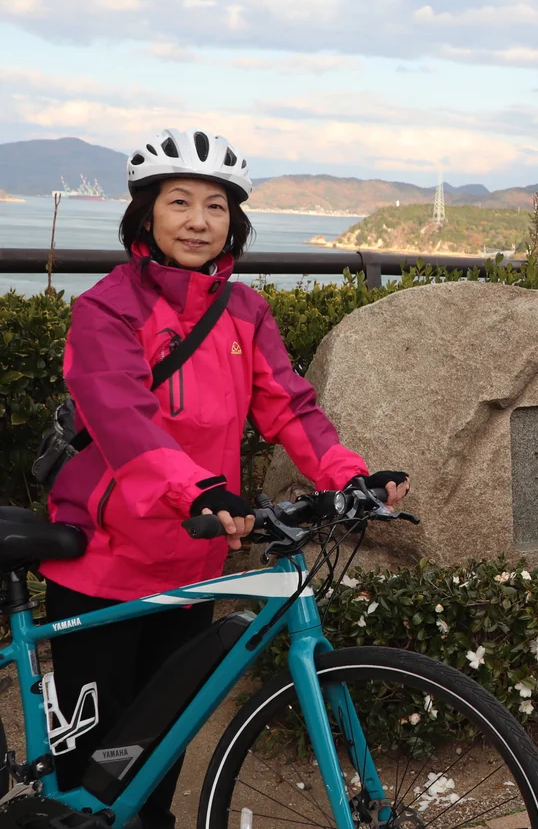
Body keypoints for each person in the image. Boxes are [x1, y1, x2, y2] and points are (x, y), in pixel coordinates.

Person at [42, 129, 410, 829]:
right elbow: (121, 414)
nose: (198, 220)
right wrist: (199, 489)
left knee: (163, 743)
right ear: (145, 215)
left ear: (232, 222)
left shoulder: (244, 312)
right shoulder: (106, 309)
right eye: (178, 201)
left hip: (193, 559)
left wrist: (350, 476)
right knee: (93, 762)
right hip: (102, 561)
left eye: (215, 206)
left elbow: (289, 407)